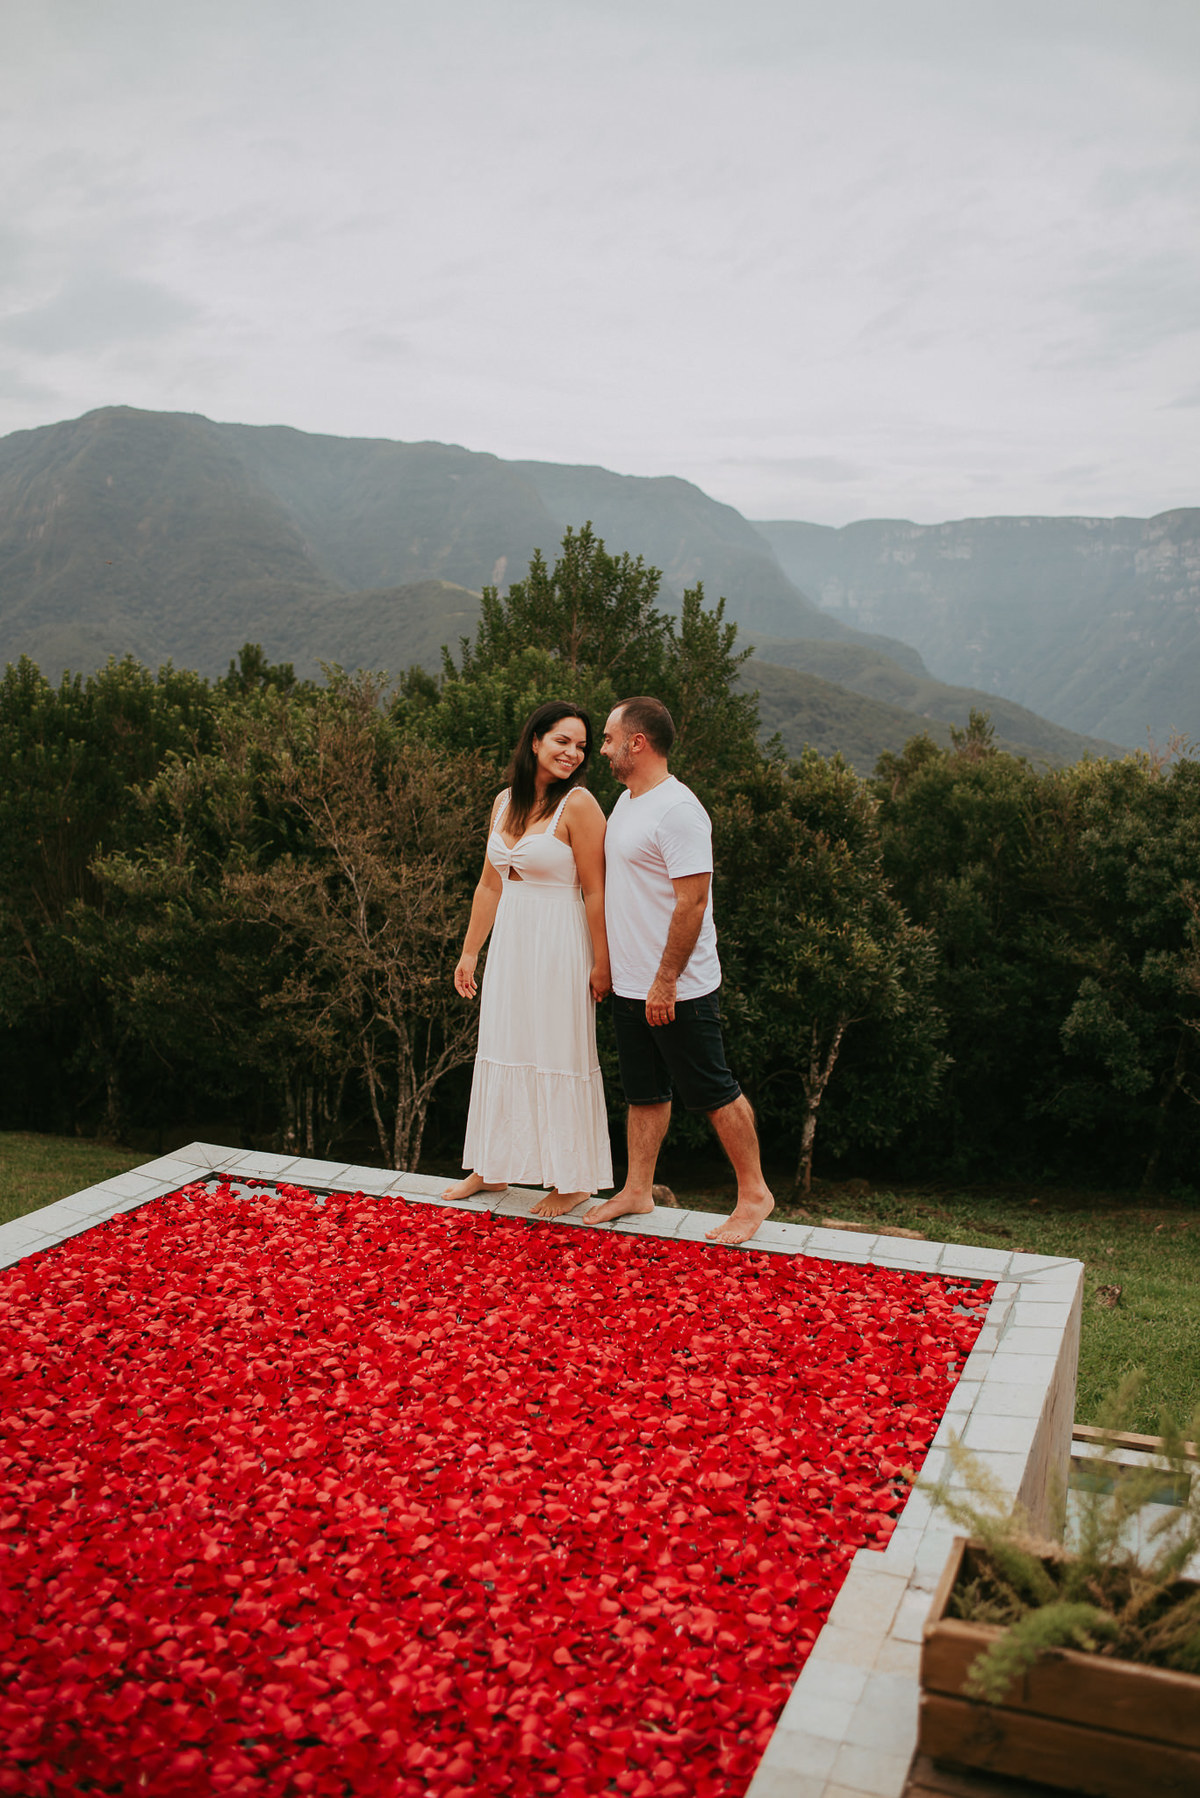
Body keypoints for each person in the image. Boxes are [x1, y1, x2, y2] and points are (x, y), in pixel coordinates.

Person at [582, 696, 774, 1246]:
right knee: (643, 1092)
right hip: (630, 983)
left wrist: (666, 980)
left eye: (609, 738)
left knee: (713, 1090)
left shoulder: (679, 811)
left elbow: (692, 903)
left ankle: (755, 1194)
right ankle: (637, 1189)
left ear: (637, 742)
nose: (604, 749)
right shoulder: (628, 802)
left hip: (677, 986)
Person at [444, 701, 614, 1217]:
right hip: (512, 942)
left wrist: (602, 962)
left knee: (559, 1051)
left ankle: (573, 1179)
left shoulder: (579, 805)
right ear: (535, 741)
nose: (573, 753)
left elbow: (597, 891)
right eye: (563, 741)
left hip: (560, 941)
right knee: (503, 1043)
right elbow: (489, 884)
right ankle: (491, 1166)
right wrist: (470, 951)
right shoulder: (504, 802)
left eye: (582, 746)